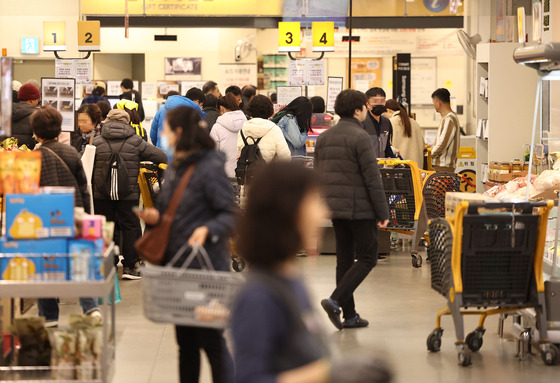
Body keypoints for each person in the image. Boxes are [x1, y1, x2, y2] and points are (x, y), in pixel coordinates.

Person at [232, 161, 393, 383]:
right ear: (289, 210)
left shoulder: (291, 280)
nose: (322, 212)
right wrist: (326, 374)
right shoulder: (259, 297)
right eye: (314, 202)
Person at [136, 106, 236, 383]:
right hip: (178, 267)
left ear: (179, 132)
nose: (163, 134)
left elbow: (230, 214)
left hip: (206, 271)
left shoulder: (209, 167)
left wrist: (207, 228)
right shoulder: (178, 164)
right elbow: (176, 210)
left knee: (212, 341)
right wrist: (157, 217)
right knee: (186, 344)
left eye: (166, 129)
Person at [315, 89, 389, 330]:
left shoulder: (325, 137)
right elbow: (372, 178)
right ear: (358, 110)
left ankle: (351, 315)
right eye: (365, 107)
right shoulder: (360, 137)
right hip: (360, 208)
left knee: (344, 261)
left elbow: (318, 174)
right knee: (368, 257)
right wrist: (383, 212)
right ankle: (334, 300)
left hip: (335, 208)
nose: (367, 110)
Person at [31, 106, 101, 327]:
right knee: (78, 262)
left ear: (36, 132)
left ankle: (50, 316)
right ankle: (91, 308)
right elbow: (84, 188)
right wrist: (87, 216)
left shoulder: (34, 156)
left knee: (46, 265)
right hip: (73, 214)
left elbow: (29, 193)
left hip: (44, 219)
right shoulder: (71, 152)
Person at [92, 109, 167, 279]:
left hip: (102, 193)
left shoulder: (97, 142)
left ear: (107, 121)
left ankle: (107, 266)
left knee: (105, 226)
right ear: (127, 123)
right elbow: (161, 156)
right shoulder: (136, 141)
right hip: (129, 193)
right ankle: (130, 267)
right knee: (130, 225)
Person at [237, 95, 290, 163]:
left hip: (247, 172)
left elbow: (240, 152)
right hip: (268, 172)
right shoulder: (274, 129)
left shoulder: (242, 130)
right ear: (270, 109)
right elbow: (285, 157)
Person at [210, 93, 247, 177]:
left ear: (221, 108)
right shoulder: (247, 124)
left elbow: (212, 153)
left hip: (224, 174)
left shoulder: (217, 127)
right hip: (245, 173)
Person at [385, 99, 425, 167]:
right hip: (416, 170)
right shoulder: (415, 123)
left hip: (398, 170)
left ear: (389, 110)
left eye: (384, 114)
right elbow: (423, 146)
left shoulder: (389, 122)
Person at [431, 88, 461, 172]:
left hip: (442, 167)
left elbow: (442, 144)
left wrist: (429, 154)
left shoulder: (449, 119)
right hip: (442, 167)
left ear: (438, 103)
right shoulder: (447, 118)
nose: (433, 105)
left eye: (433, 102)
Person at [363, 88, 394, 159]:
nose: (379, 104)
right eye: (375, 101)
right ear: (367, 104)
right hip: (366, 167)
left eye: (382, 101)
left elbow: (387, 147)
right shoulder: (362, 122)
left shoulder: (387, 122)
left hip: (382, 167)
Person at [12, 83, 40, 149]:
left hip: (5, 155)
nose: (37, 102)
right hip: (26, 155)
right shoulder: (36, 116)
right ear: (31, 100)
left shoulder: (6, 112)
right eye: (37, 99)